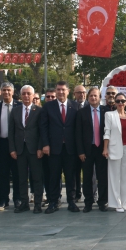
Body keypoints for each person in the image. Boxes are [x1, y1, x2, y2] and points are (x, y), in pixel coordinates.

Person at [41, 81, 80, 214]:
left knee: (71, 176)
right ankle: (53, 202)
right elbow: (44, 127)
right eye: (58, 89)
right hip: (54, 148)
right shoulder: (48, 106)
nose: (60, 92)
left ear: (68, 91)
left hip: (70, 148)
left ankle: (71, 201)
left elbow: (78, 129)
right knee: (54, 176)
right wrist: (45, 144)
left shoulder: (75, 106)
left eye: (63, 89)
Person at [8, 85, 45, 214]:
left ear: (33, 95)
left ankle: (38, 204)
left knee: (36, 177)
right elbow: (11, 131)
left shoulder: (39, 111)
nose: (26, 96)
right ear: (20, 95)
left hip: (35, 149)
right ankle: (24, 203)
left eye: (28, 93)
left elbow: (42, 132)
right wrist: (12, 149)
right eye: (23, 93)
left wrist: (40, 147)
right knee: (21, 178)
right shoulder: (15, 111)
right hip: (20, 150)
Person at [103, 93, 126, 212]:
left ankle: (125, 202)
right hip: (114, 149)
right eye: (118, 101)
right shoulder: (109, 115)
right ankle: (116, 203)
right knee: (114, 177)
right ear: (115, 103)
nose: (120, 103)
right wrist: (105, 148)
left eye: (122, 101)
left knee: (125, 176)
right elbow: (107, 132)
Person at [76, 87, 107, 212]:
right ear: (88, 98)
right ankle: (88, 202)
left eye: (96, 96)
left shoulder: (106, 111)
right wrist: (81, 151)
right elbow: (78, 134)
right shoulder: (81, 113)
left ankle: (102, 201)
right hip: (87, 150)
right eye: (91, 96)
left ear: (100, 97)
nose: (93, 98)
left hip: (102, 150)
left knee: (102, 176)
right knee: (87, 177)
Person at [0, 83, 21, 211]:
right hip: (1, 144)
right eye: (4, 90)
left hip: (17, 144)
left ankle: (17, 198)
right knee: (2, 173)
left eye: (8, 90)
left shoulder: (19, 106)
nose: (6, 92)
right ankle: (3, 199)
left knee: (17, 173)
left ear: (13, 91)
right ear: (0, 92)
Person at [71, 85, 87, 201]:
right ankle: (77, 193)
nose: (81, 94)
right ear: (74, 94)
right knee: (75, 172)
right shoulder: (70, 106)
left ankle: (91, 194)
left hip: (87, 145)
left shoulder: (90, 105)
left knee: (90, 173)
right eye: (79, 92)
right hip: (73, 145)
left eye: (83, 92)